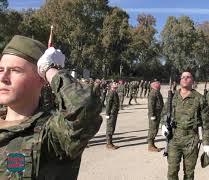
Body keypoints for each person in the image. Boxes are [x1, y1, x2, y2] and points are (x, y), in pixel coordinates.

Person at [0, 35, 102, 179]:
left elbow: (84, 106)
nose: (3, 77)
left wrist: (50, 69)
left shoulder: (52, 133)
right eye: (0, 69)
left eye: (16, 70)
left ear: (41, 78)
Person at [161, 71, 209, 180]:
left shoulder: (199, 98)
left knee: (189, 173)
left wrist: (206, 144)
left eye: (188, 77)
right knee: (172, 171)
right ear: (180, 80)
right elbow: (164, 112)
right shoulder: (173, 97)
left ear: (192, 81)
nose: (185, 79)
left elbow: (206, 123)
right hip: (174, 139)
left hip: (191, 140)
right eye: (183, 77)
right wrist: (163, 124)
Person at [147, 81, 164, 152]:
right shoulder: (153, 93)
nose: (159, 86)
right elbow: (151, 105)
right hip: (154, 114)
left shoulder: (157, 92)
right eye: (158, 85)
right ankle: (150, 146)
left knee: (155, 129)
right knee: (153, 129)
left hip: (157, 114)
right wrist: (152, 115)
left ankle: (152, 144)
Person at [105, 82, 120, 150]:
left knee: (112, 127)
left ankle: (110, 142)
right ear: (112, 86)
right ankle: (109, 144)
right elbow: (108, 104)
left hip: (113, 112)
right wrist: (107, 113)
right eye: (115, 84)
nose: (116, 84)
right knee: (110, 128)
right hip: (111, 113)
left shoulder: (114, 92)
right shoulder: (111, 93)